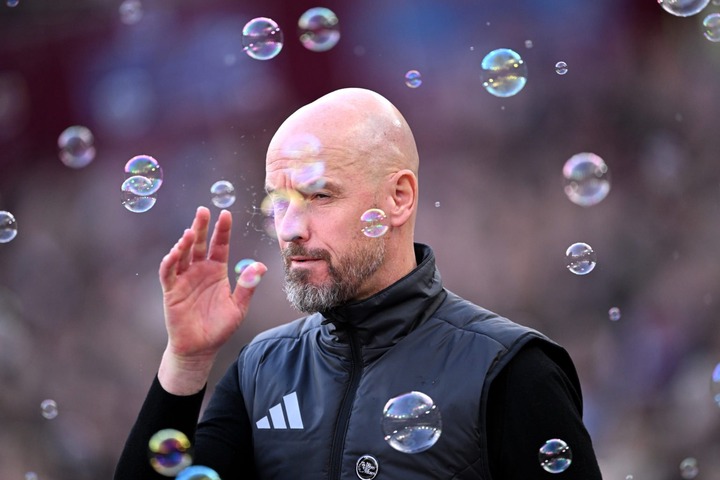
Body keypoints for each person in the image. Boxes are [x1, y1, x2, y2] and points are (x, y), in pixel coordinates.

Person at [114, 88, 603, 479]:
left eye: (319, 195)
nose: (289, 228)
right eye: (278, 201)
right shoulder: (260, 371)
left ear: (398, 198)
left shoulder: (510, 369)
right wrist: (186, 362)